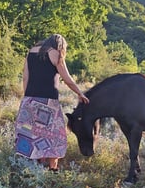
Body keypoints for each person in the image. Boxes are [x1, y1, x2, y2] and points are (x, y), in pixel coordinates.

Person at [14, 34, 89, 171]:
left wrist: (29, 97)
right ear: (60, 45)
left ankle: (31, 168)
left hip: (29, 100)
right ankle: (52, 169)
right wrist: (80, 93)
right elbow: (67, 79)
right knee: (56, 136)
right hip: (48, 103)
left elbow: (25, 78)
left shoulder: (31, 51)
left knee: (31, 133)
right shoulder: (55, 53)